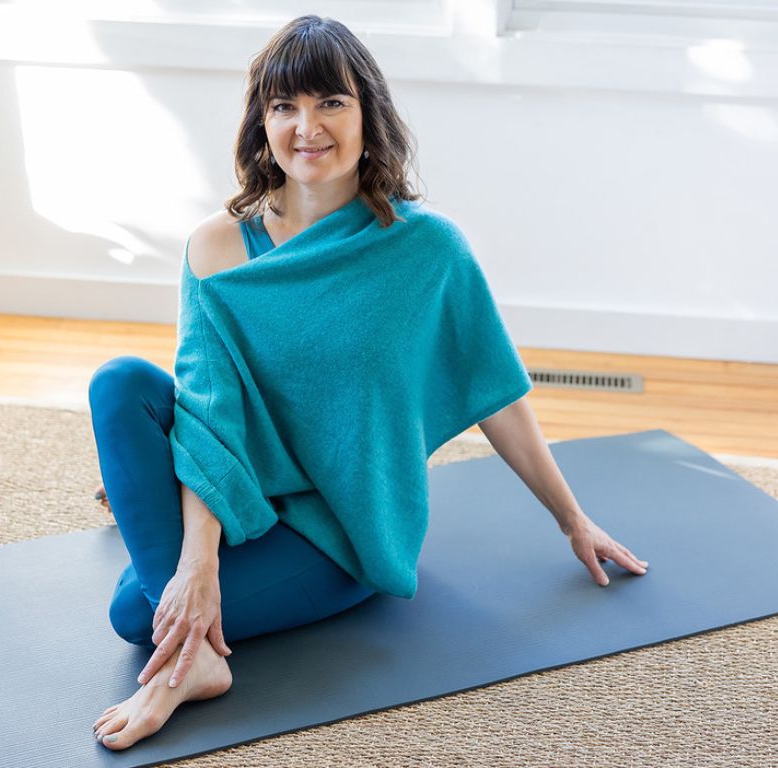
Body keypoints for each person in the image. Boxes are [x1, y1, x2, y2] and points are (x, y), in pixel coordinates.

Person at [87, 14, 648, 751]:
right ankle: (188, 654)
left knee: (135, 614)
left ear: (367, 116)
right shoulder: (219, 245)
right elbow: (208, 412)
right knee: (120, 382)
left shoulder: (427, 249)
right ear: (261, 122)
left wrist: (572, 519)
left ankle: (180, 650)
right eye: (284, 106)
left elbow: (498, 393)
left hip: (338, 528)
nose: (306, 126)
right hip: (244, 485)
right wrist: (196, 564)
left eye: (330, 103)